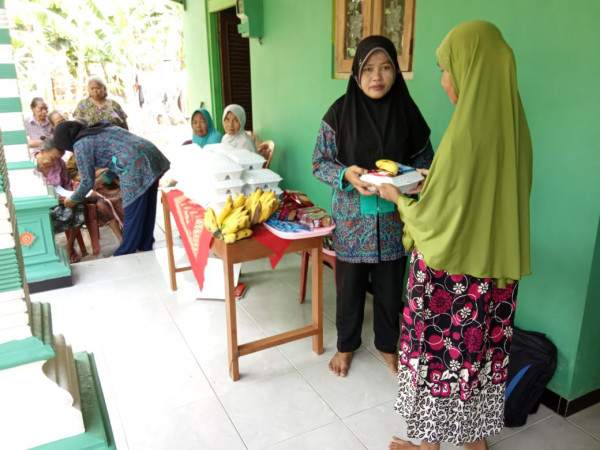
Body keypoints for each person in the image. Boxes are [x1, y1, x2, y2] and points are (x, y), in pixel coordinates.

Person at [377, 21, 532, 449]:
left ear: (471, 68)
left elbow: (437, 220)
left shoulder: (465, 133)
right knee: (476, 358)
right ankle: (474, 440)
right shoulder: (515, 128)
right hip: (494, 275)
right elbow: (482, 197)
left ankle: (428, 444)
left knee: (439, 359)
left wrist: (397, 197)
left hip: (452, 279)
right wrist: (436, 179)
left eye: (447, 68)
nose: (444, 79)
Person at [312, 36, 433, 377]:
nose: (376, 77)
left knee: (390, 288)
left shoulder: (408, 112)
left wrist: (415, 178)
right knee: (349, 289)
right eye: (367, 69)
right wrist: (346, 174)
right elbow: (319, 162)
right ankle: (345, 346)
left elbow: (426, 160)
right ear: (356, 73)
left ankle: (386, 346)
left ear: (395, 72)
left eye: (385, 68)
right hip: (352, 222)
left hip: (395, 218)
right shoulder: (338, 112)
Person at [55, 122, 170, 256]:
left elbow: (87, 181)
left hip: (134, 165)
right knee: (148, 204)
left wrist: (73, 198)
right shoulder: (101, 129)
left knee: (132, 210)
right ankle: (145, 244)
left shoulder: (81, 144)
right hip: (151, 155)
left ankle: (127, 250)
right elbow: (117, 156)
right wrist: (104, 179)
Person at [49, 110, 125, 242]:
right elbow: (76, 174)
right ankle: (122, 239)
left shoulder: (85, 143)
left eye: (63, 119)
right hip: (95, 187)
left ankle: (129, 237)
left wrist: (104, 173)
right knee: (103, 204)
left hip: (112, 182)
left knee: (125, 200)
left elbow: (115, 165)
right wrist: (93, 175)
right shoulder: (77, 148)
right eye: (59, 122)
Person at [36, 137, 85, 263]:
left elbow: (67, 184)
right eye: (53, 158)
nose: (55, 162)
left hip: (60, 201)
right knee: (44, 217)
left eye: (59, 158)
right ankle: (48, 250)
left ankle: (69, 245)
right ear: (42, 151)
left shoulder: (60, 164)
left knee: (78, 206)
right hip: (40, 206)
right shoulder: (29, 166)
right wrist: (51, 199)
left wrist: (68, 196)